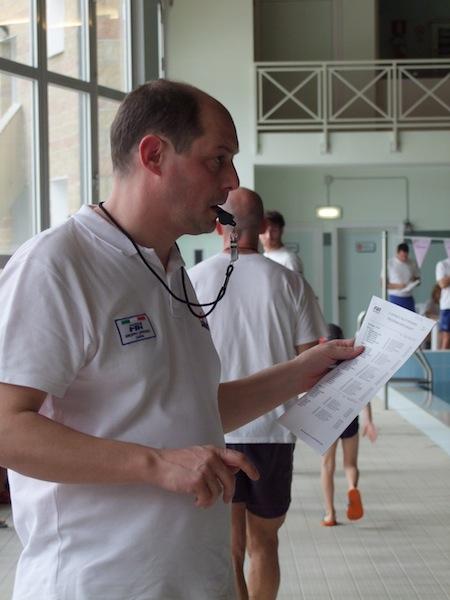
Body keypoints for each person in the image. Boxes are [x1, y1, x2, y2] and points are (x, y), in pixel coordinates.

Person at [0, 79, 363, 600]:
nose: (231, 180)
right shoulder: (58, 265)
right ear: (154, 155)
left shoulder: (169, 269)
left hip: (194, 579)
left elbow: (191, 408)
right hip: (99, 583)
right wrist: (155, 464)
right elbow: (7, 428)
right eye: (218, 159)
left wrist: (305, 371)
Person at [189, 187, 327, 600]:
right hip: (273, 433)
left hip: (214, 429)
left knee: (229, 549)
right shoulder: (291, 284)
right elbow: (314, 363)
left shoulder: (191, 282)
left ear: (219, 226)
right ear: (264, 226)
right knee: (265, 542)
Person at [319, 324, 377, 527]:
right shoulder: (351, 363)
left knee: (327, 465)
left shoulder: (321, 365)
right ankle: (352, 487)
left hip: (327, 419)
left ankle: (330, 514)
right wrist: (369, 420)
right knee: (350, 464)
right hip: (349, 416)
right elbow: (364, 394)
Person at [259, 209, 304, 274]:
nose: (268, 236)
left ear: (281, 231)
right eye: (264, 230)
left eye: (274, 230)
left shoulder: (289, 259)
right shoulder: (262, 257)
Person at [386, 242, 420, 312]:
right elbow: (383, 283)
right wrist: (399, 286)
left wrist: (414, 280)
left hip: (408, 297)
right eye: (402, 256)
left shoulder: (412, 262)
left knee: (412, 317)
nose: (404, 258)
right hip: (395, 297)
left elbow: (418, 279)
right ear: (397, 253)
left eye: (406, 256)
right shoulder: (390, 263)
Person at [436, 255, 450, 349]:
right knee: (447, 337)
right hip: (448, 305)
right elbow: (442, 284)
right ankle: (442, 358)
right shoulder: (443, 264)